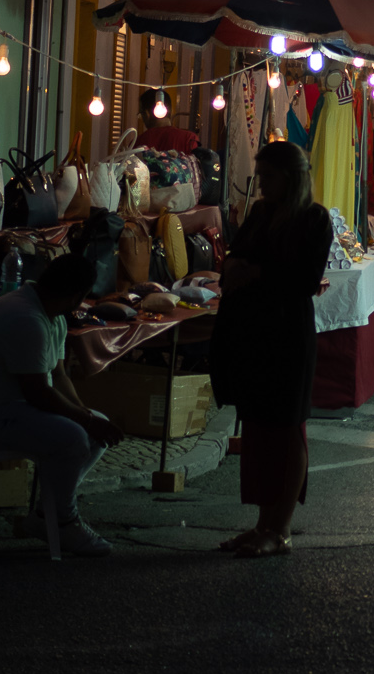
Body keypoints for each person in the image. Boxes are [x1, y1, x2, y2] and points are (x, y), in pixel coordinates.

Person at [0, 248, 125, 556]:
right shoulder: (25, 317)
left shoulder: (50, 314)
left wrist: (85, 414)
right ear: (77, 295)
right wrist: (84, 421)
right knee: (73, 436)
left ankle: (48, 516)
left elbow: (58, 376)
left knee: (91, 432)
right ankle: (63, 520)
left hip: (17, 410)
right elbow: (38, 392)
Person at [209, 140, 332, 558]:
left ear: (290, 178)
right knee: (259, 428)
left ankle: (280, 529)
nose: (260, 185)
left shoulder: (314, 220)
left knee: (287, 426)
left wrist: (256, 271)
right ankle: (261, 523)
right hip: (253, 333)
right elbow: (234, 259)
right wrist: (244, 270)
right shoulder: (261, 214)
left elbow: (302, 280)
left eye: (267, 177)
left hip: (288, 335)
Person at [136, 89, 199, 155]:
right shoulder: (189, 139)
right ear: (171, 111)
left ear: (147, 114)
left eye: (141, 114)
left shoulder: (137, 143)